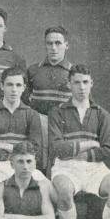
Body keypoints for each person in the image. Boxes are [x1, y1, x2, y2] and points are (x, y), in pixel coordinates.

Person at [49, 64, 110, 219]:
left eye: (85, 82)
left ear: (91, 84)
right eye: (76, 82)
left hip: (94, 168)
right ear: (69, 85)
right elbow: (57, 148)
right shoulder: (57, 112)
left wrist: (81, 152)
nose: (81, 87)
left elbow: (109, 151)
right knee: (63, 190)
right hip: (66, 167)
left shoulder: (102, 114)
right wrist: (89, 144)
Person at [0, 67, 47, 219]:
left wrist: (3, 145)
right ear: (2, 86)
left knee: (47, 191)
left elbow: (35, 149)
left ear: (24, 87)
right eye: (9, 85)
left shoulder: (31, 115)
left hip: (25, 167)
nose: (14, 89)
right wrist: (21, 148)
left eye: (18, 85)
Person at [22, 26, 72, 170]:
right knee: (39, 164)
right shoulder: (33, 70)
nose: (53, 47)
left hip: (64, 125)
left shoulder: (74, 72)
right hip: (40, 124)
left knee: (60, 165)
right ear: (45, 45)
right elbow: (24, 100)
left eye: (58, 43)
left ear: (66, 45)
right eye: (49, 43)